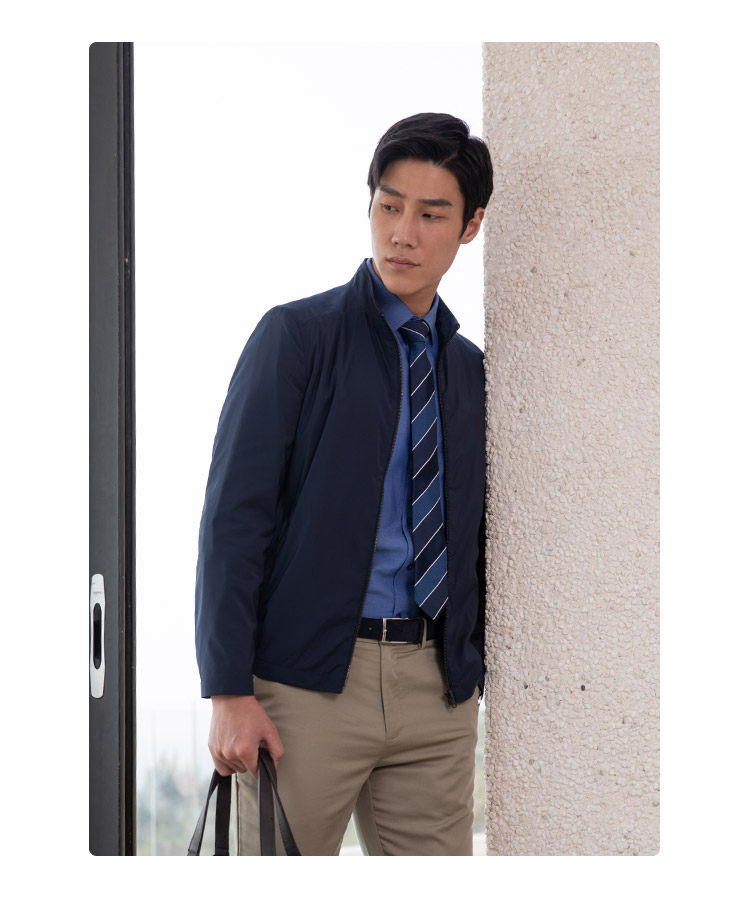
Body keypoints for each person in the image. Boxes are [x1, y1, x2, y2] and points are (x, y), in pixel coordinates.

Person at [194, 112, 492, 856]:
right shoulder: (297, 337)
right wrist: (228, 690)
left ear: (471, 225)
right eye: (389, 206)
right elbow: (234, 518)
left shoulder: (472, 372)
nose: (403, 233)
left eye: (432, 215)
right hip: (306, 688)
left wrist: (469, 668)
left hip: (437, 696)